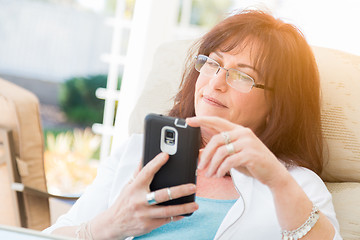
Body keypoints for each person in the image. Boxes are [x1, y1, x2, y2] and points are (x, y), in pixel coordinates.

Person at [44, 9, 341, 239]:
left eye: (242, 76)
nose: (216, 82)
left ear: (277, 105)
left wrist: (276, 179)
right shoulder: (134, 151)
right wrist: (109, 225)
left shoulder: (297, 185)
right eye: (213, 63)